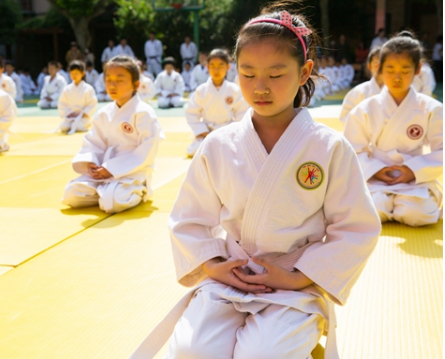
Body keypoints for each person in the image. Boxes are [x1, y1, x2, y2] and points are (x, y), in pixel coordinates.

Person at [130, 6, 380, 359]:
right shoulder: (218, 144)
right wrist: (212, 265)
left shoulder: (328, 147)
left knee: (262, 355)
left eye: (276, 75)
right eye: (247, 74)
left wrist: (298, 277)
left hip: (294, 280)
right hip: (231, 276)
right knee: (192, 352)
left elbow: (356, 227)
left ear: (304, 71)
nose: (260, 87)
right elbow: (189, 218)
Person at [344, 31, 442, 227]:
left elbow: (442, 150)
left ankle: (400, 205)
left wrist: (412, 170)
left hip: (414, 179)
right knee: (372, 210)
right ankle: (388, 205)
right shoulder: (364, 109)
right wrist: (376, 170)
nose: (397, 77)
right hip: (376, 177)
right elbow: (351, 150)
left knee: (419, 214)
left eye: (405, 70)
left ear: (417, 70)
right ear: (379, 69)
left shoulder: (432, 109)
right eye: (390, 69)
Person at [62, 55, 164, 214]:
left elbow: (147, 151)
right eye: (108, 79)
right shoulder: (104, 113)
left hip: (132, 170)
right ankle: (106, 191)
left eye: (120, 80)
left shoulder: (143, 112)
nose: (112, 84)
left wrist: (112, 169)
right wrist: (92, 163)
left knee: (112, 203)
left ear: (136, 84)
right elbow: (93, 142)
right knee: (71, 194)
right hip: (104, 169)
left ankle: (137, 188)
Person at [185, 49, 248, 157]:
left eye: (220, 65)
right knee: (195, 151)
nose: (216, 69)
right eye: (212, 66)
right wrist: (204, 132)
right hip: (207, 132)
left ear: (228, 67)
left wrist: (232, 132)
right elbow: (191, 113)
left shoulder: (234, 90)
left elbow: (242, 114)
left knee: (238, 151)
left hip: (228, 131)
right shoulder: (201, 90)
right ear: (207, 67)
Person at [339, 46, 383, 123]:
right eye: (376, 63)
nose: (379, 67)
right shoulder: (359, 92)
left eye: (382, 63)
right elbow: (344, 118)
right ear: (369, 66)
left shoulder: (396, 92)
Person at [57, 60, 98, 134]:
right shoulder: (67, 89)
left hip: (83, 117)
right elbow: (62, 103)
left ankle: (87, 123)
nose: (74, 75)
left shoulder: (88, 88)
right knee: (64, 127)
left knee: (78, 126)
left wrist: (83, 113)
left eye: (76, 73)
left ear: (83, 73)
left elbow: (92, 103)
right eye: (72, 73)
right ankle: (72, 123)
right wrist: (67, 113)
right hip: (70, 116)